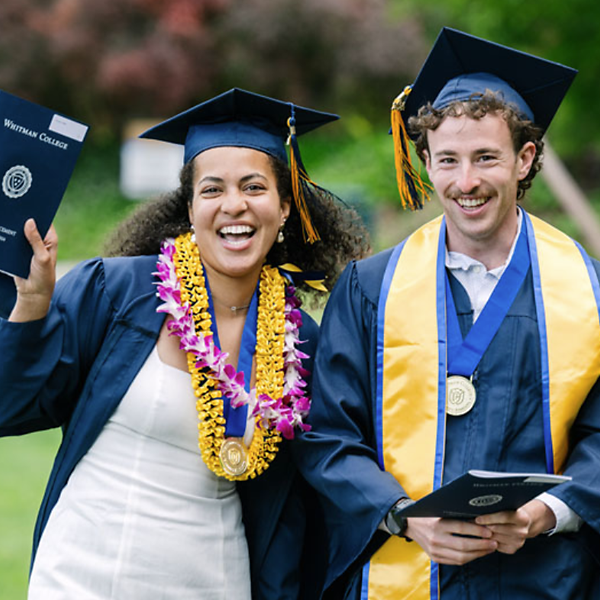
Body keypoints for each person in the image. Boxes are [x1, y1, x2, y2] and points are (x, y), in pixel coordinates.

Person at [0, 88, 369, 599]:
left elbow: (300, 506)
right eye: (212, 189)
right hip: (80, 578)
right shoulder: (115, 292)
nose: (233, 205)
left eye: (255, 186)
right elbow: (8, 408)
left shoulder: (300, 343)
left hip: (213, 583)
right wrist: (32, 308)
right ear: (190, 207)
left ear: (284, 207)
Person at [293, 28, 600, 599]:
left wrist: (547, 511)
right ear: (426, 161)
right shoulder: (369, 289)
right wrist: (402, 515)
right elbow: (327, 434)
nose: (466, 182)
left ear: (524, 157)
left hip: (544, 580)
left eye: (486, 157)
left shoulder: (588, 288)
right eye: (448, 160)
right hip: (404, 574)